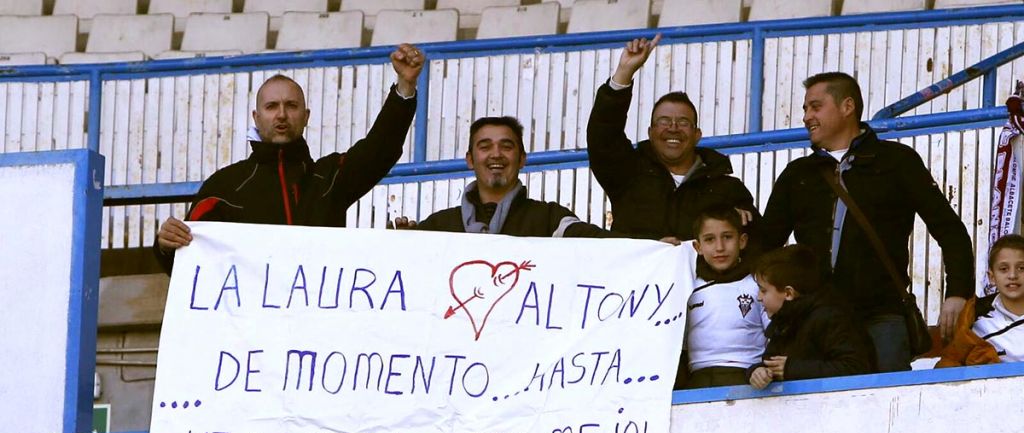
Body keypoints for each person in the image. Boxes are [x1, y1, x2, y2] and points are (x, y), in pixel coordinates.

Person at [759, 71, 975, 372]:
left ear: (847, 106)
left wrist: (957, 292)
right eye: (805, 109)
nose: (806, 117)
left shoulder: (897, 161)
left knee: (888, 400)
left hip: (882, 315)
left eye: (815, 107)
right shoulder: (797, 174)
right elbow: (765, 245)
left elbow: (950, 230)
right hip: (816, 320)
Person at [154, 43, 425, 273]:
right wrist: (166, 245)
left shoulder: (330, 177)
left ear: (306, 117)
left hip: (319, 317)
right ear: (256, 118)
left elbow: (380, 148)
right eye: (271, 106)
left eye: (291, 106)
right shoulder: (224, 187)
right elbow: (186, 261)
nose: (281, 114)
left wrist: (405, 86)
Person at [586, 34, 758, 241]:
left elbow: (754, 242)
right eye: (664, 121)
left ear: (697, 135)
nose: (673, 128)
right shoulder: (627, 172)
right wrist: (624, 72)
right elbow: (603, 135)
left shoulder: (729, 190)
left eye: (683, 122)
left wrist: (734, 222)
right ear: (650, 133)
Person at [395, 116, 611, 238]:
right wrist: (403, 245)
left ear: (522, 159)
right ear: (470, 160)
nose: (496, 154)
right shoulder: (437, 227)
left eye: (506, 146)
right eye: (485, 146)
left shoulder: (550, 220)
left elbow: (606, 247)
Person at [748, 245, 875, 390]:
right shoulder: (785, 320)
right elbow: (774, 364)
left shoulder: (830, 317)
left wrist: (792, 370)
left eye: (763, 291)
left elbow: (855, 367)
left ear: (788, 293)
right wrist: (757, 372)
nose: (759, 297)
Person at [681, 205, 768, 389]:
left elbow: (775, 336)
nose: (719, 247)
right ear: (697, 247)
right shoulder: (687, 287)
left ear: (742, 241)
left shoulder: (758, 284)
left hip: (749, 378)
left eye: (727, 237)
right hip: (697, 381)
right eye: (710, 239)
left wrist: (762, 369)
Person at [937, 234, 1024, 367]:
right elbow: (951, 363)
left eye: (1021, 268)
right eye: (1004, 269)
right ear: (992, 277)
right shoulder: (975, 320)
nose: (1012, 275)